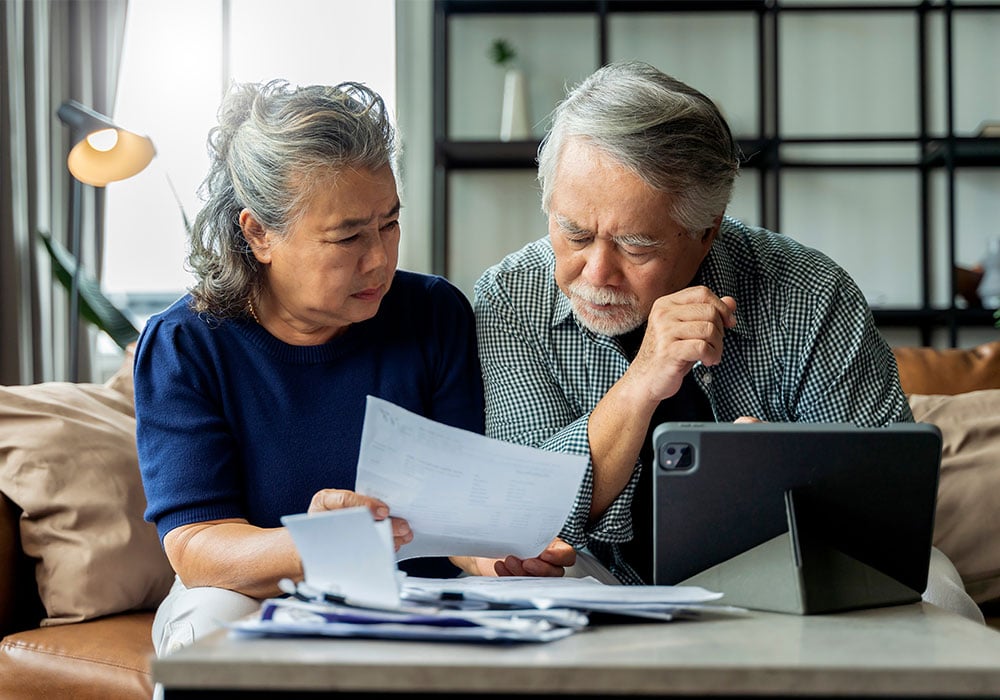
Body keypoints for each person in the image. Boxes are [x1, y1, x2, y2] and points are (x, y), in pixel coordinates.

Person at [473, 61, 984, 622]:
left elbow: (892, 503)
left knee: (936, 588)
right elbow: (522, 513)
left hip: (790, 562)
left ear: (707, 230)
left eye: (636, 246)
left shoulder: (812, 292)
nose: (596, 273)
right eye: (574, 233)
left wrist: (782, 478)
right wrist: (643, 381)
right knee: (526, 588)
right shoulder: (509, 298)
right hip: (595, 569)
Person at [134, 79, 572, 658]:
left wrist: (496, 555)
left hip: (414, 588)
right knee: (209, 628)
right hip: (250, 591)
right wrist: (317, 544)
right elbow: (196, 547)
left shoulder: (433, 314)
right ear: (259, 234)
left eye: (389, 224)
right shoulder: (186, 344)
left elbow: (453, 516)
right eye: (348, 237)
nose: (381, 259)